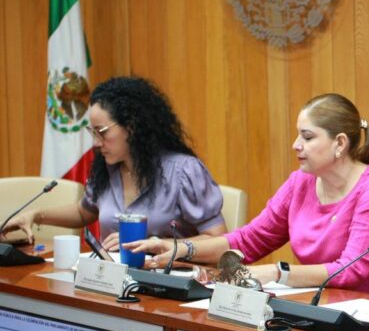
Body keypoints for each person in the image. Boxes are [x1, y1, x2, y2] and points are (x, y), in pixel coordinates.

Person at [126, 93, 369, 292]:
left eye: (307, 137)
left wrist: (278, 272)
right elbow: (249, 241)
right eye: (298, 135)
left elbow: (350, 270)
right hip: (322, 306)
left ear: (340, 143)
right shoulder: (300, 182)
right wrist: (182, 249)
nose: (296, 145)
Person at [1, 76, 225, 247]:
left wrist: (158, 246)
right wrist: (36, 214)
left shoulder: (183, 172)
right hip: (112, 285)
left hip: (168, 293)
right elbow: (84, 213)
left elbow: (219, 241)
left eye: (102, 132)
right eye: (92, 132)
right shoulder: (106, 168)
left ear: (132, 127)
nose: (96, 143)